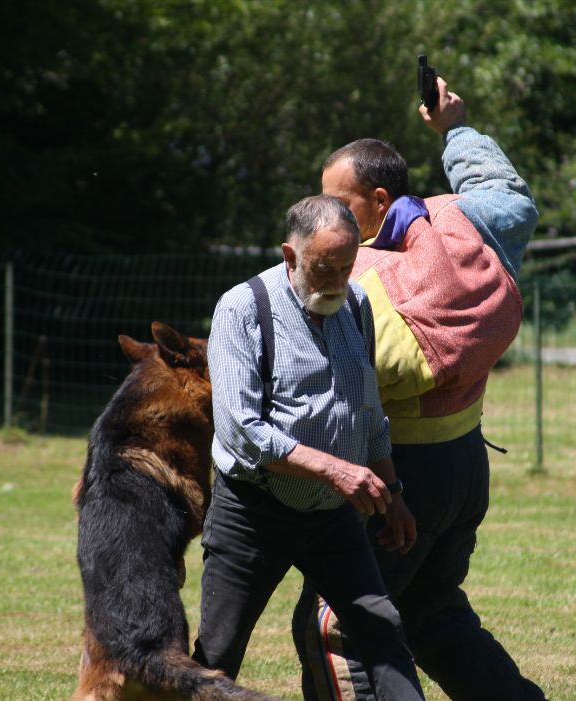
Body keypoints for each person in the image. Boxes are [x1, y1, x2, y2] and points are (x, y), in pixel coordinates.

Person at [292, 77, 547, 700]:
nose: (327, 219)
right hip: (465, 467)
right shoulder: (470, 225)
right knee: (432, 613)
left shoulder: (360, 281)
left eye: (340, 207)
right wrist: (454, 127)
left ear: (379, 201)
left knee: (338, 625)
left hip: (399, 478)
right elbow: (505, 191)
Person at [192, 194, 427, 701]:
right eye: (325, 268)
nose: (339, 281)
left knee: (382, 628)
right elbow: (242, 431)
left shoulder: (357, 305)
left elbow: (369, 414)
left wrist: (393, 492)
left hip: (332, 517)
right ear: (290, 255)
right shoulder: (242, 309)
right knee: (218, 654)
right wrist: (336, 471)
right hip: (253, 514)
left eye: (347, 267)